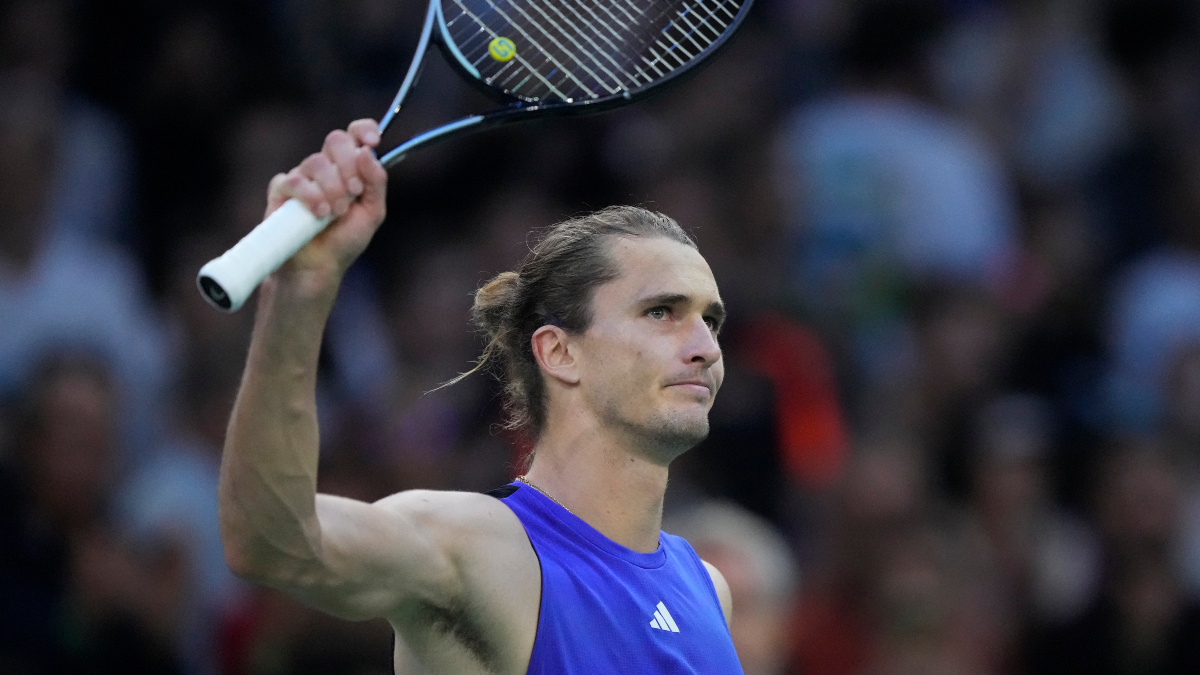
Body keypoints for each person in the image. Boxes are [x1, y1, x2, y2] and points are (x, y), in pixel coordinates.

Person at [218, 119, 742, 673]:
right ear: (559, 353)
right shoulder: (475, 547)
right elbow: (272, 543)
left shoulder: (707, 587)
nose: (705, 347)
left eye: (711, 320)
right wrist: (301, 292)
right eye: (662, 312)